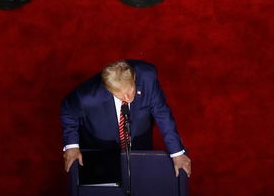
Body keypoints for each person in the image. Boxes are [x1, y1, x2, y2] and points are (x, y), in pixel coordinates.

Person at [60, 59, 192, 177]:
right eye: (121, 95)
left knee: (141, 177)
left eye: (130, 90)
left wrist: (177, 153)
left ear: (134, 78)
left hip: (139, 136)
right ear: (109, 90)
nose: (128, 98)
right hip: (101, 140)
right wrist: (72, 146)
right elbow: (68, 111)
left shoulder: (147, 79)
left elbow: (162, 113)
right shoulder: (87, 97)